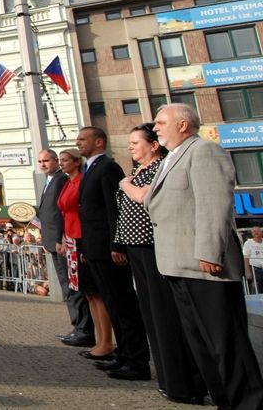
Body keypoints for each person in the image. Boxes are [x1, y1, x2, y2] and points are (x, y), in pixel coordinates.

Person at [146, 104, 263, 409]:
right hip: (177, 265)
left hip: (205, 266)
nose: (155, 128)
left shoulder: (205, 151)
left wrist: (210, 251)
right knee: (202, 345)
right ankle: (224, 399)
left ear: (183, 124)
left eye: (160, 122)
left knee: (226, 344)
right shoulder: (171, 157)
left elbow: (214, 205)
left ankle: (248, 402)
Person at [117, 123, 206, 404]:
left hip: (156, 246)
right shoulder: (136, 172)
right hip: (135, 247)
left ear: (153, 145)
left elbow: (143, 198)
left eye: (135, 142)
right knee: (152, 315)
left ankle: (185, 381)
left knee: (167, 314)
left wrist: (125, 184)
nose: (130, 147)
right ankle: (167, 377)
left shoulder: (161, 168)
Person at [75, 126, 151, 381]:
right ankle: (123, 353)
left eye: (83, 139)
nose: (78, 143)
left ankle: (136, 358)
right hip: (94, 247)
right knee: (112, 303)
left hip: (109, 249)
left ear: (99, 142)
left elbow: (113, 209)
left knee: (123, 304)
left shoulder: (107, 167)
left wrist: (117, 244)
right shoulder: (90, 168)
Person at [56, 148, 114, 359]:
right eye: (60, 160)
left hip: (83, 238)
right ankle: (99, 340)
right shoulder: (68, 182)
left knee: (96, 292)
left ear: (76, 162)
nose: (60, 163)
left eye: (64, 160)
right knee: (87, 292)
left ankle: (105, 341)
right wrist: (63, 238)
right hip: (71, 239)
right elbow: (64, 212)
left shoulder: (82, 181)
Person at [35, 149, 94, 343]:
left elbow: (60, 212)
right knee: (67, 285)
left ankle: (83, 328)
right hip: (53, 240)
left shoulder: (61, 179)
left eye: (47, 160)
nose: (43, 164)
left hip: (62, 241)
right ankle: (78, 327)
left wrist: (60, 237)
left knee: (72, 285)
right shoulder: (49, 180)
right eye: (40, 161)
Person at [243, 226, 263, 294]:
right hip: (255, 269)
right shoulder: (248, 243)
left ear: (261, 232)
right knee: (256, 288)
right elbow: (246, 258)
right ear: (252, 233)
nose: (256, 232)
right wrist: (248, 272)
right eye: (254, 231)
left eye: (258, 231)